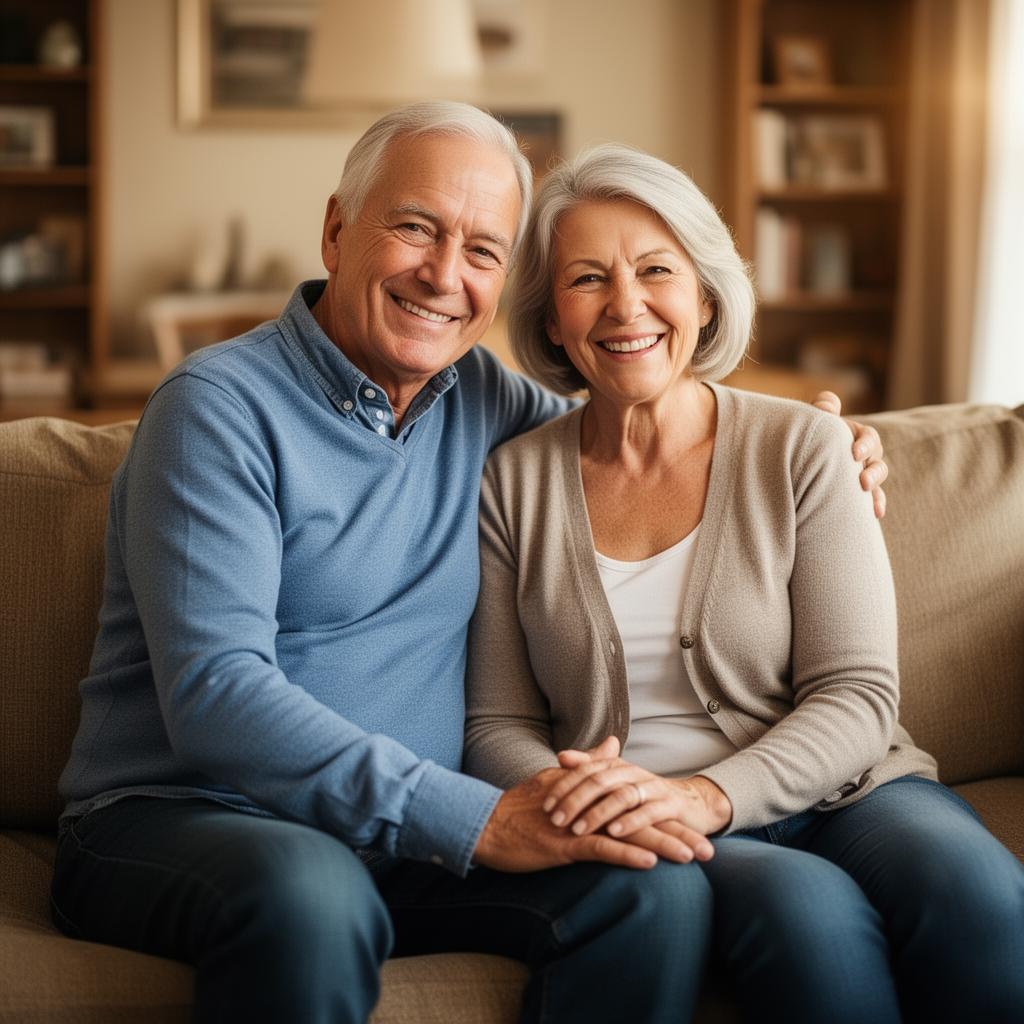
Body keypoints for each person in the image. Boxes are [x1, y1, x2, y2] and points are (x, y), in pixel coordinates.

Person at [51, 102, 888, 1024]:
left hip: (402, 844)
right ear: (337, 230)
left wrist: (818, 448)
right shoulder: (216, 410)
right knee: (309, 892)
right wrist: (477, 819)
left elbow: (640, 405)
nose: (444, 276)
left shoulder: (487, 402)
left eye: (484, 250)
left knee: (648, 887)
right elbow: (215, 691)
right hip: (191, 819)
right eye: (414, 228)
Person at [465, 142, 1024, 1023]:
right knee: (813, 930)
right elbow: (496, 722)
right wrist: (588, 806)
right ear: (550, 319)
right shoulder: (513, 481)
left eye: (657, 270)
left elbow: (858, 693)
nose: (627, 306)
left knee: (982, 904)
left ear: (705, 292)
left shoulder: (804, 446)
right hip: (653, 821)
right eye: (586, 280)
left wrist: (706, 794)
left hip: (851, 791)